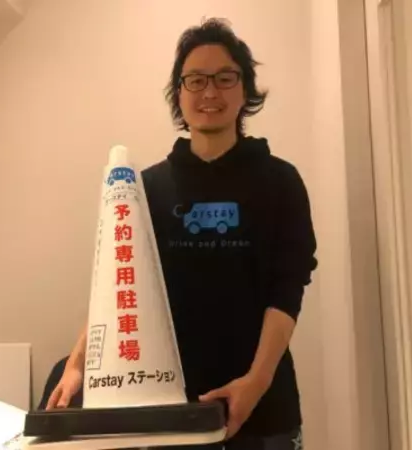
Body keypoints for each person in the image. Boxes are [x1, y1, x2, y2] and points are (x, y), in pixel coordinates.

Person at [47, 18, 317, 450]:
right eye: (196, 80)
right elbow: (117, 286)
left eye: (225, 78)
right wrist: (79, 363)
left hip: (265, 408)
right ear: (179, 93)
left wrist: (256, 382)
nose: (210, 92)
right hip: (169, 409)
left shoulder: (281, 181)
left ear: (244, 89)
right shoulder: (147, 188)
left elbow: (287, 291)